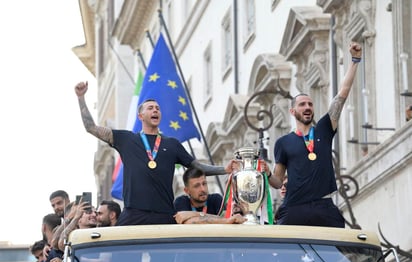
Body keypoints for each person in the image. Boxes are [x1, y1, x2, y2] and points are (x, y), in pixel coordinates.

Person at [74, 82, 235, 225]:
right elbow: (91, 128)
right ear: (140, 116)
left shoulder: (172, 144)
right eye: (150, 108)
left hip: (164, 213)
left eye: (157, 108)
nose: (155, 110)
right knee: (122, 254)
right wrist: (81, 98)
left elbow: (197, 167)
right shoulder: (127, 139)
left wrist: (224, 170)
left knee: (166, 258)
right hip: (133, 213)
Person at [268, 42, 362, 228]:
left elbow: (342, 93)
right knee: (280, 247)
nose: (307, 107)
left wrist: (355, 60)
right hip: (295, 206)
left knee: (340, 250)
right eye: (302, 104)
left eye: (310, 104)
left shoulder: (324, 129)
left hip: (324, 205)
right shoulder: (283, 142)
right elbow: (278, 182)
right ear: (292, 111)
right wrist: (265, 173)